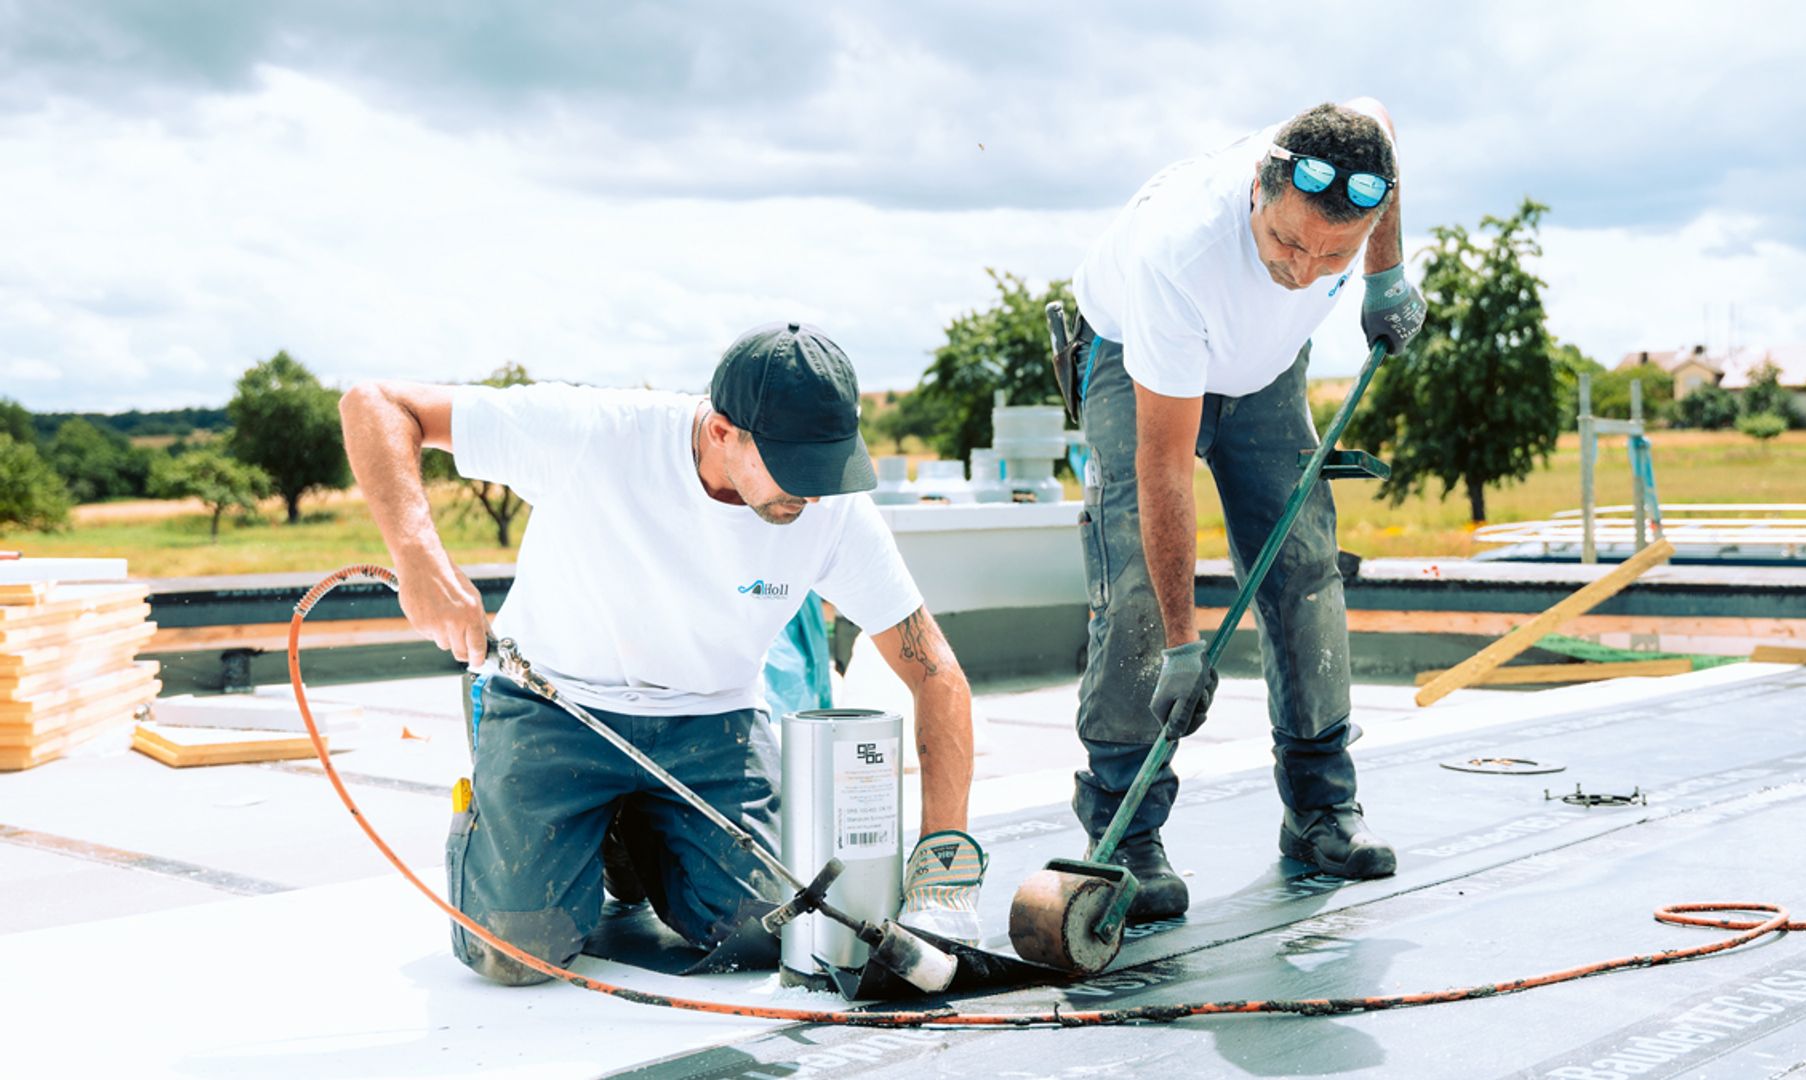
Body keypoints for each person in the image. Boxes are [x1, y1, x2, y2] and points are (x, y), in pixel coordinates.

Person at [339, 322, 986, 984]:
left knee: (770, 930)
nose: (814, 492)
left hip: (712, 723)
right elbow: (377, 403)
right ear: (722, 432)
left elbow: (935, 674)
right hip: (557, 708)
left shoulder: (833, 513)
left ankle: (632, 832)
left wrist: (942, 872)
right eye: (795, 470)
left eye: (827, 469)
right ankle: (550, 826)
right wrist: (418, 556)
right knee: (514, 952)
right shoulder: (595, 434)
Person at [1064, 100, 1427, 921]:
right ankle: (1125, 833)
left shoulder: (1356, 163)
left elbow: (1381, 123)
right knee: (1136, 588)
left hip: (1263, 365)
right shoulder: (1178, 256)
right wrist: (1183, 646)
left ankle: (1321, 809)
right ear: (1260, 185)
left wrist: (1383, 275)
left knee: (1303, 565)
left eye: (1333, 254)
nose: (1304, 270)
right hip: (1137, 353)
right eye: (1288, 242)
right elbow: (1164, 469)